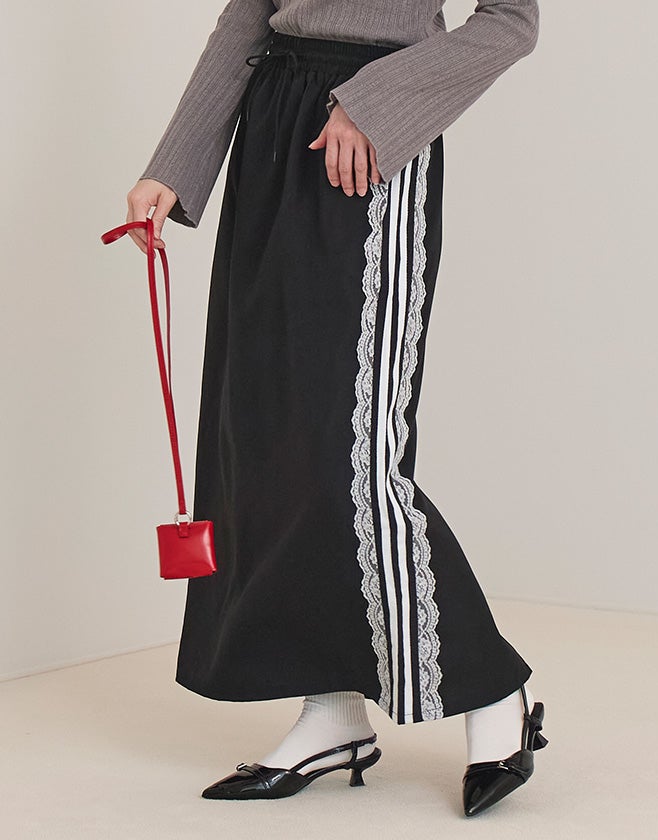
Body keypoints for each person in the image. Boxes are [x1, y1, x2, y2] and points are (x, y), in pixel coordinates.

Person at [125, 1, 546, 817]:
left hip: (368, 145)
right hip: (271, 130)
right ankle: (332, 712)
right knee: (268, 436)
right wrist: (174, 164)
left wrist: (375, 104)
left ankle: (494, 690)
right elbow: (251, 15)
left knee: (345, 450)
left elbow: (509, 23)